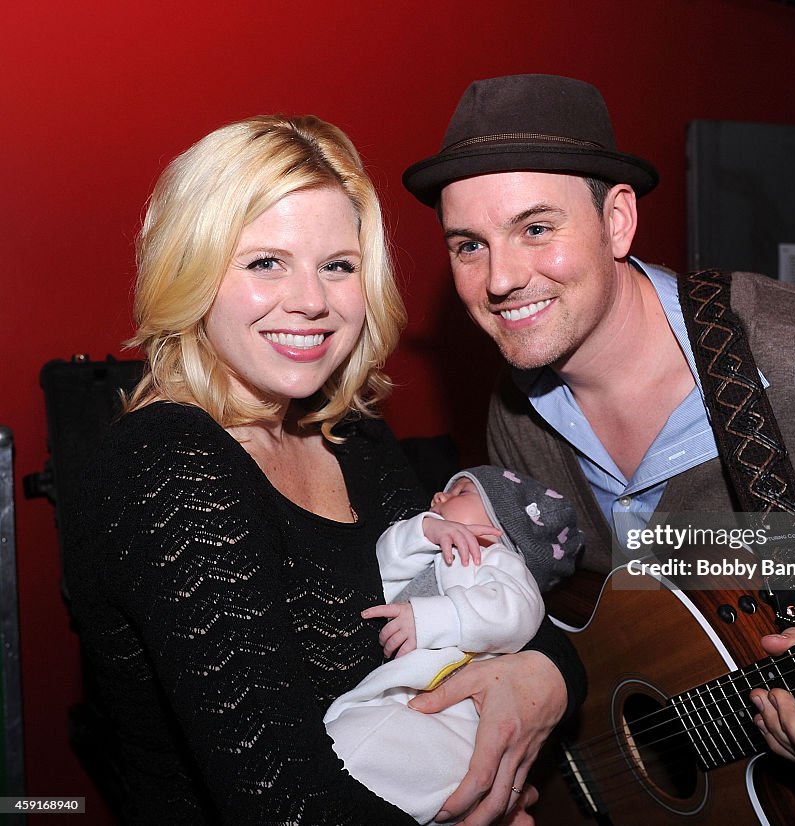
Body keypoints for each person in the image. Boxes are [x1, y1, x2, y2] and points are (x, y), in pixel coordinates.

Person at [402, 74, 795, 824]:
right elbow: (570, 606)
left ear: (618, 221)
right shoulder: (520, 407)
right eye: (470, 244)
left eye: (537, 228)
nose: (500, 279)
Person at [63, 114, 585, 825]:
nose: (312, 301)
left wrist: (546, 675)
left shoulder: (351, 437)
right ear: (191, 268)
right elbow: (288, 805)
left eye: (337, 265)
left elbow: (501, 587)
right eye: (265, 262)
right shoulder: (167, 464)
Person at [324, 465, 582, 824]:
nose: (439, 497)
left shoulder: (499, 560)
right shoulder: (433, 555)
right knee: (349, 753)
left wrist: (430, 618)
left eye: (460, 493)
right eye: (444, 492)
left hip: (453, 717)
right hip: (403, 702)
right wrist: (423, 531)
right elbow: (381, 565)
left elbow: (515, 613)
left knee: (354, 759)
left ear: (500, 526)